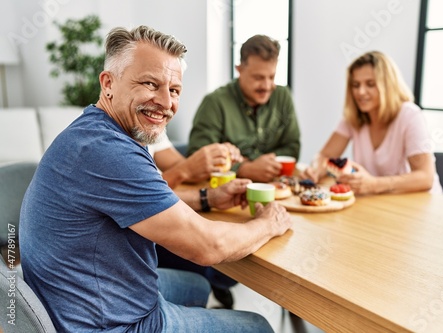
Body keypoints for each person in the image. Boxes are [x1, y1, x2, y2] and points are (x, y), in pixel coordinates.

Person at [19, 25, 292, 333]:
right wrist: (269, 223)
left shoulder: (97, 131)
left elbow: (139, 203)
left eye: (174, 90)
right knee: (257, 326)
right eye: (150, 84)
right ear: (108, 83)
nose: (166, 102)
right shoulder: (108, 151)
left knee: (196, 286)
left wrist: (208, 198)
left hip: (81, 294)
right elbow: (208, 246)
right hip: (107, 323)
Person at [302, 51, 443, 195]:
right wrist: (315, 169)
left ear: (388, 85)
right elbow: (324, 155)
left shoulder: (410, 115)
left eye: (370, 84)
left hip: (420, 204)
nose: (361, 92)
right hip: (379, 201)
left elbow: (425, 178)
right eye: (356, 85)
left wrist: (374, 184)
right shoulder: (353, 117)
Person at [187, 34, 301, 183]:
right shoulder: (214, 103)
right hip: (226, 191)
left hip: (276, 185)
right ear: (239, 70)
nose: (267, 86)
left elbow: (292, 147)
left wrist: (254, 162)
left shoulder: (283, 96)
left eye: (272, 77)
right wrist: (245, 168)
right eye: (258, 78)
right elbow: (197, 157)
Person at [148, 132, 240, 308]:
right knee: (216, 255)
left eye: (176, 101)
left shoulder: (151, 127)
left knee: (220, 259)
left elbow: (179, 166)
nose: (168, 104)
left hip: (159, 214)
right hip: (143, 239)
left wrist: (212, 161)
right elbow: (143, 196)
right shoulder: (114, 141)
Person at [148, 130, 242, 188]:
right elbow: (140, 192)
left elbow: (178, 166)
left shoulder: (153, 129)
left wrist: (218, 160)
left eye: (175, 96)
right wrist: (186, 169)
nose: (168, 103)